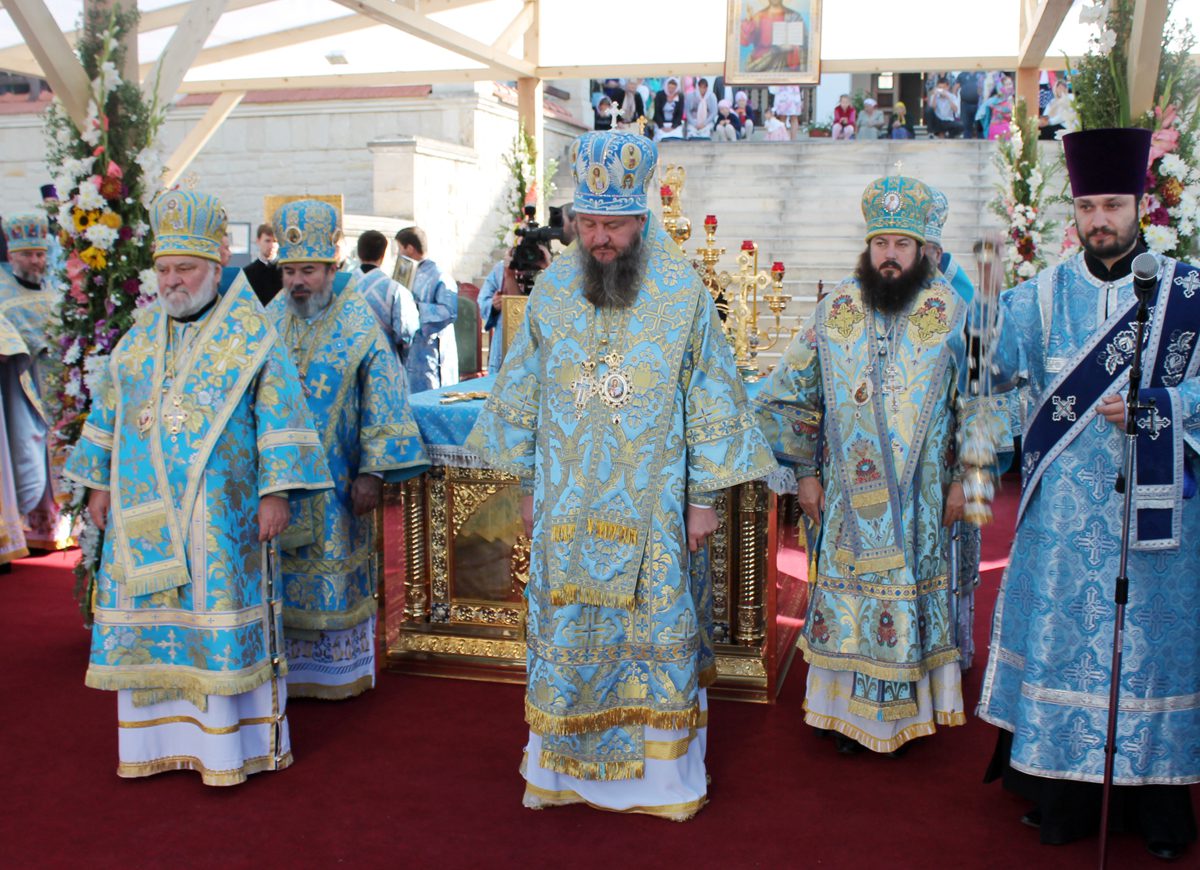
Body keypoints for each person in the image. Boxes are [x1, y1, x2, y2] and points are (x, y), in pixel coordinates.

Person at [466, 130, 776, 819]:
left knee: (655, 628)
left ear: (642, 217)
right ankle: (562, 775)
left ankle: (661, 782)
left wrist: (703, 499)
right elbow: (522, 391)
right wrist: (526, 488)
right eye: (589, 224)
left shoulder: (682, 292)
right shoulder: (553, 290)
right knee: (568, 627)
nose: (600, 239)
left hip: (656, 507)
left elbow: (712, 398)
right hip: (566, 505)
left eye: (614, 225)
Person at [978, 127, 1200, 861]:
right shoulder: (1038, 298)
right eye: (1086, 207)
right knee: (1066, 650)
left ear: (1141, 205)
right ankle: (1063, 797)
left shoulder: (1188, 295)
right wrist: (967, 312)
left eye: (1112, 205)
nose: (1099, 220)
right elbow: (985, 374)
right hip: (1064, 528)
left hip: (1159, 521)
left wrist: (1160, 408)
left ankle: (1158, 805)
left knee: (1151, 657)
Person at [62, 189, 333, 785]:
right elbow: (109, 410)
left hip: (223, 518)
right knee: (152, 621)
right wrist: (99, 485)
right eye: (164, 269)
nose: (172, 280)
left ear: (217, 264)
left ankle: (227, 750)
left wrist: (275, 493)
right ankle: (154, 743)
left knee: (220, 618)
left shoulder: (251, 336)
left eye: (184, 268)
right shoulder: (138, 339)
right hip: (141, 517)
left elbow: (280, 415)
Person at [755, 175, 970, 756]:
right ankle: (837, 712)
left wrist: (964, 482)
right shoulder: (835, 312)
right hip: (846, 499)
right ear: (868, 246)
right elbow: (789, 397)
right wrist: (805, 474)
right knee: (848, 594)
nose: (889, 255)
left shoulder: (952, 314)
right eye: (881, 244)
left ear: (922, 249)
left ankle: (905, 717)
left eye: (901, 244)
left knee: (906, 591)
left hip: (922, 500)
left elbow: (980, 404)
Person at [265, 200, 429, 699]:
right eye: (289, 271)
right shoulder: (268, 318)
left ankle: (336, 675)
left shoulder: (358, 322)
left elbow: (385, 397)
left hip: (337, 485)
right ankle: (281, 671)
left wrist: (373, 473)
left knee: (333, 572)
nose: (297, 282)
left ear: (332, 269)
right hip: (275, 483)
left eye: (308, 271)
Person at [0, 213, 67, 550]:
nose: (35, 261)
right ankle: (29, 525)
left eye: (40, 254)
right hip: (21, 385)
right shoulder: (2, 293)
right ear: (12, 256)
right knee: (28, 447)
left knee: (60, 446)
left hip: (59, 386)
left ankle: (59, 527)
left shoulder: (55, 289)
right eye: (27, 254)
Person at [395, 225, 458, 392]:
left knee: (430, 395)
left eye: (399, 248)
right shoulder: (404, 274)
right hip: (409, 350)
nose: (398, 254)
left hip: (430, 350)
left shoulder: (440, 275)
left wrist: (415, 308)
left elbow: (449, 312)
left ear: (410, 248)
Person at [352, 229, 419, 361]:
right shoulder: (396, 290)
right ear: (382, 256)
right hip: (384, 361)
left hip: (348, 360)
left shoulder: (342, 285)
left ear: (359, 254)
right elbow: (406, 333)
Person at [739, 0, 808, 73]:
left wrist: (791, 46)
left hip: (785, 63)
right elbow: (746, 41)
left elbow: (804, 42)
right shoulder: (758, 16)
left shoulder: (794, 16)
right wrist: (749, 21)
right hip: (761, 62)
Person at [243, 223, 283, 306]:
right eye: (267, 241)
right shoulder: (247, 272)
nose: (271, 245)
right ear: (258, 241)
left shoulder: (286, 271)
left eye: (275, 241)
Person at [653, 77, 685, 141]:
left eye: (673, 88)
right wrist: (662, 126)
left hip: (674, 124)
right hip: (661, 123)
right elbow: (657, 112)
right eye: (669, 87)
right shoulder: (659, 95)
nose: (671, 90)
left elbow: (679, 113)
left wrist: (673, 127)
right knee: (660, 137)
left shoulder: (680, 96)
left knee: (677, 137)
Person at [956, 70, 982, 139]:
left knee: (980, 127)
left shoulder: (982, 73)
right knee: (966, 127)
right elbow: (955, 88)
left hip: (979, 105)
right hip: (965, 105)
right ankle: (966, 144)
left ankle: (981, 143)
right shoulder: (962, 74)